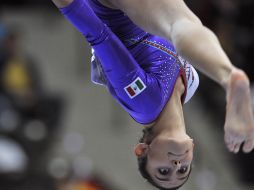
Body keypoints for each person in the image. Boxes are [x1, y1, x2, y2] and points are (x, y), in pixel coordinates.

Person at [50, 0, 254, 189]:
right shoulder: (190, 87)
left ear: (142, 150)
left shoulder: (143, 104)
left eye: (164, 171)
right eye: (183, 169)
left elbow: (97, 34)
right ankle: (229, 77)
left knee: (179, 24)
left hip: (119, 8)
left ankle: (228, 77)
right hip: (156, 13)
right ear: (192, 146)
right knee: (185, 23)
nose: (176, 164)